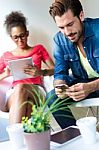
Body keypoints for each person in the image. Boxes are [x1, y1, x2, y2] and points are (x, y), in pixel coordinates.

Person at [48, 0, 99, 129]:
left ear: (81, 16)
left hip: (94, 85)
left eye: (70, 24)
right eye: (61, 27)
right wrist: (60, 86)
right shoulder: (59, 40)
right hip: (83, 83)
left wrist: (91, 87)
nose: (67, 32)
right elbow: (60, 73)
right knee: (52, 97)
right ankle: (75, 136)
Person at [0, 11, 54, 124]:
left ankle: (13, 137)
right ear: (11, 37)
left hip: (36, 90)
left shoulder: (39, 49)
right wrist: (6, 74)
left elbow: (56, 69)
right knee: (27, 106)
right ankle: (22, 139)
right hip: (14, 93)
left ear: (27, 33)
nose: (20, 40)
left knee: (21, 87)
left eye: (22, 35)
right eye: (16, 37)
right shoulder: (6, 56)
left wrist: (40, 72)